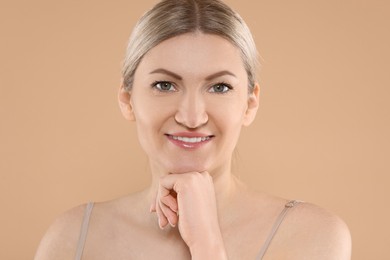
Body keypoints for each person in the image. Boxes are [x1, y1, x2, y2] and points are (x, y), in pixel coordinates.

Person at [35, 0, 351, 259]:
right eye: (164, 84)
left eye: (219, 87)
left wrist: (207, 245)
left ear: (250, 104)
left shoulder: (313, 237)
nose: (191, 116)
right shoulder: (73, 236)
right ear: (127, 99)